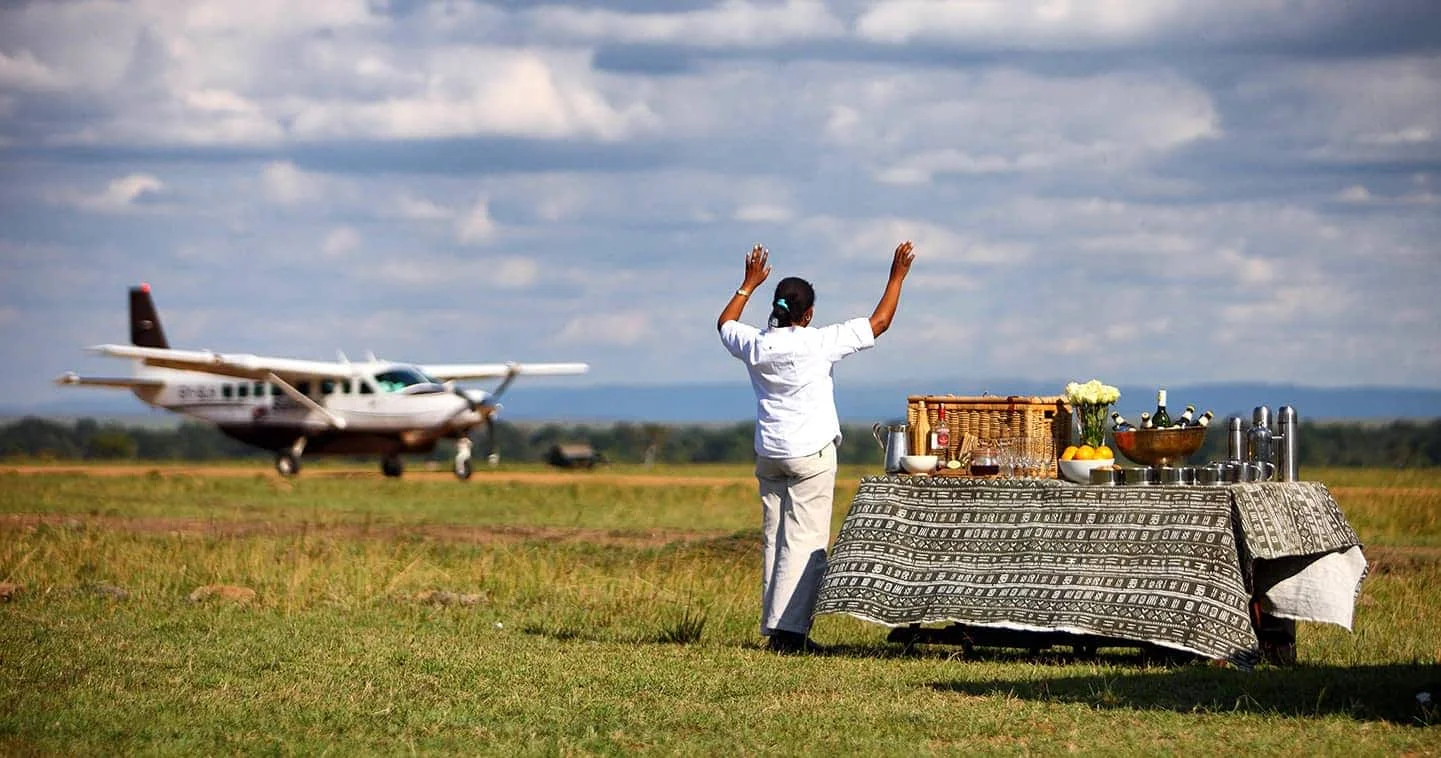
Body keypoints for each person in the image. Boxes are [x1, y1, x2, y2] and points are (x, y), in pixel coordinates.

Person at [716, 241, 916, 653]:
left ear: (775, 308)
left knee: (774, 538)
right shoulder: (818, 342)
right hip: (810, 454)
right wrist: (897, 276)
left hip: (770, 453)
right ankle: (791, 636)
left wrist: (747, 284)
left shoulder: (757, 345)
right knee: (805, 543)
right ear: (808, 315)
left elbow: (725, 324)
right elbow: (880, 322)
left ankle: (776, 628)